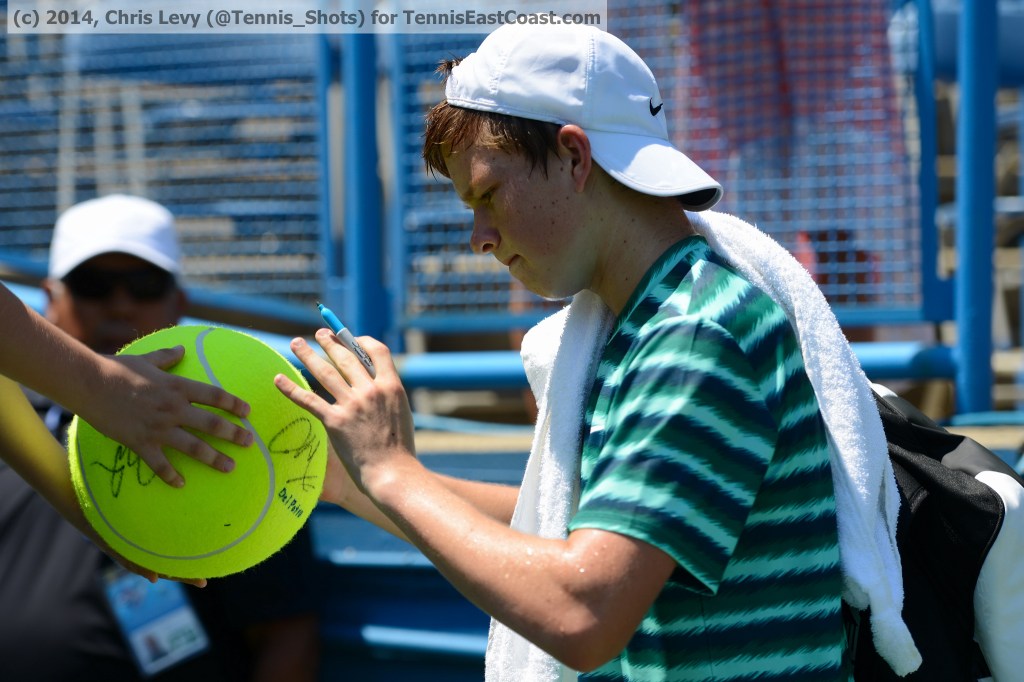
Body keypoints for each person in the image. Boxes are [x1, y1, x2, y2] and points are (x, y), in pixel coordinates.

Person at [275, 24, 863, 681]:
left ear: (576, 158)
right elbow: (551, 530)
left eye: (488, 195)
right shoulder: (636, 323)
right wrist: (349, 480)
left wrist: (392, 472)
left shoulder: (697, 332)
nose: (480, 237)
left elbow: (585, 613)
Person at [0, 194, 320, 682]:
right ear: (48, 300)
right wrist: (98, 387)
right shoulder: (16, 420)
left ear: (179, 302)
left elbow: (285, 633)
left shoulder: (228, 427)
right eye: (93, 285)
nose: (121, 303)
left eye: (144, 284)